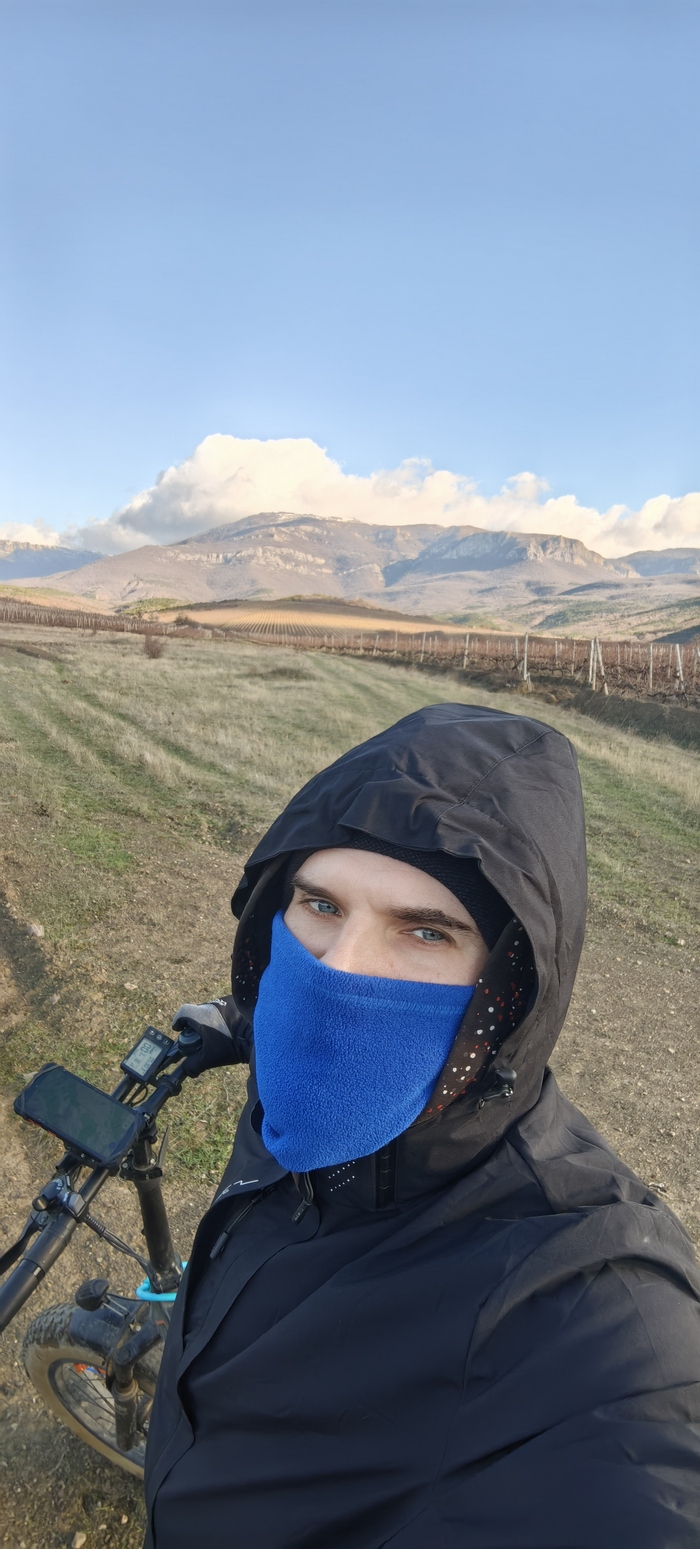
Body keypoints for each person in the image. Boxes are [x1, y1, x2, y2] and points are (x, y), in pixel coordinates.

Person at [144, 702, 700, 1548]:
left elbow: (642, 1474)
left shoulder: (593, 1323)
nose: (340, 970)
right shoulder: (304, 1103)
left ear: (507, 989)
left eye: (427, 931)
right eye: (320, 904)